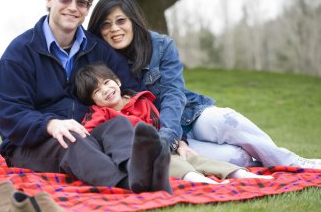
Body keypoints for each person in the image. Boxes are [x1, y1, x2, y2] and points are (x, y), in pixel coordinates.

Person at [87, 0, 321, 169]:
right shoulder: (100, 65)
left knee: (228, 122)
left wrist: (170, 135)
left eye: (120, 21)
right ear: (99, 30)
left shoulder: (159, 45)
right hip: (160, 135)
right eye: (106, 24)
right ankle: (258, 163)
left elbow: (172, 93)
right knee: (238, 158)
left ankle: (291, 161)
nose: (114, 29)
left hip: (187, 115)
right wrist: (175, 143)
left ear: (133, 21)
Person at [0, 0, 172, 194]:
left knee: (118, 125)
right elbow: (10, 114)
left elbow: (129, 88)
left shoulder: (97, 48)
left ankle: (139, 170)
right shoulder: (19, 53)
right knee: (73, 139)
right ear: (49, 0)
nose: (73, 7)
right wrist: (51, 124)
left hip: (88, 131)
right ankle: (125, 184)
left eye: (81, 2)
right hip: (30, 144)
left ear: (87, 10)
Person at [75, 63, 273, 184]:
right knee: (171, 163)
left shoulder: (143, 101)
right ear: (94, 101)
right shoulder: (100, 113)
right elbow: (89, 133)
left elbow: (163, 124)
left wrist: (178, 142)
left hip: (164, 143)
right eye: (97, 91)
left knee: (195, 158)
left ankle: (238, 174)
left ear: (117, 81)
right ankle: (196, 179)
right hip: (141, 154)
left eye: (107, 83)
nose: (105, 90)